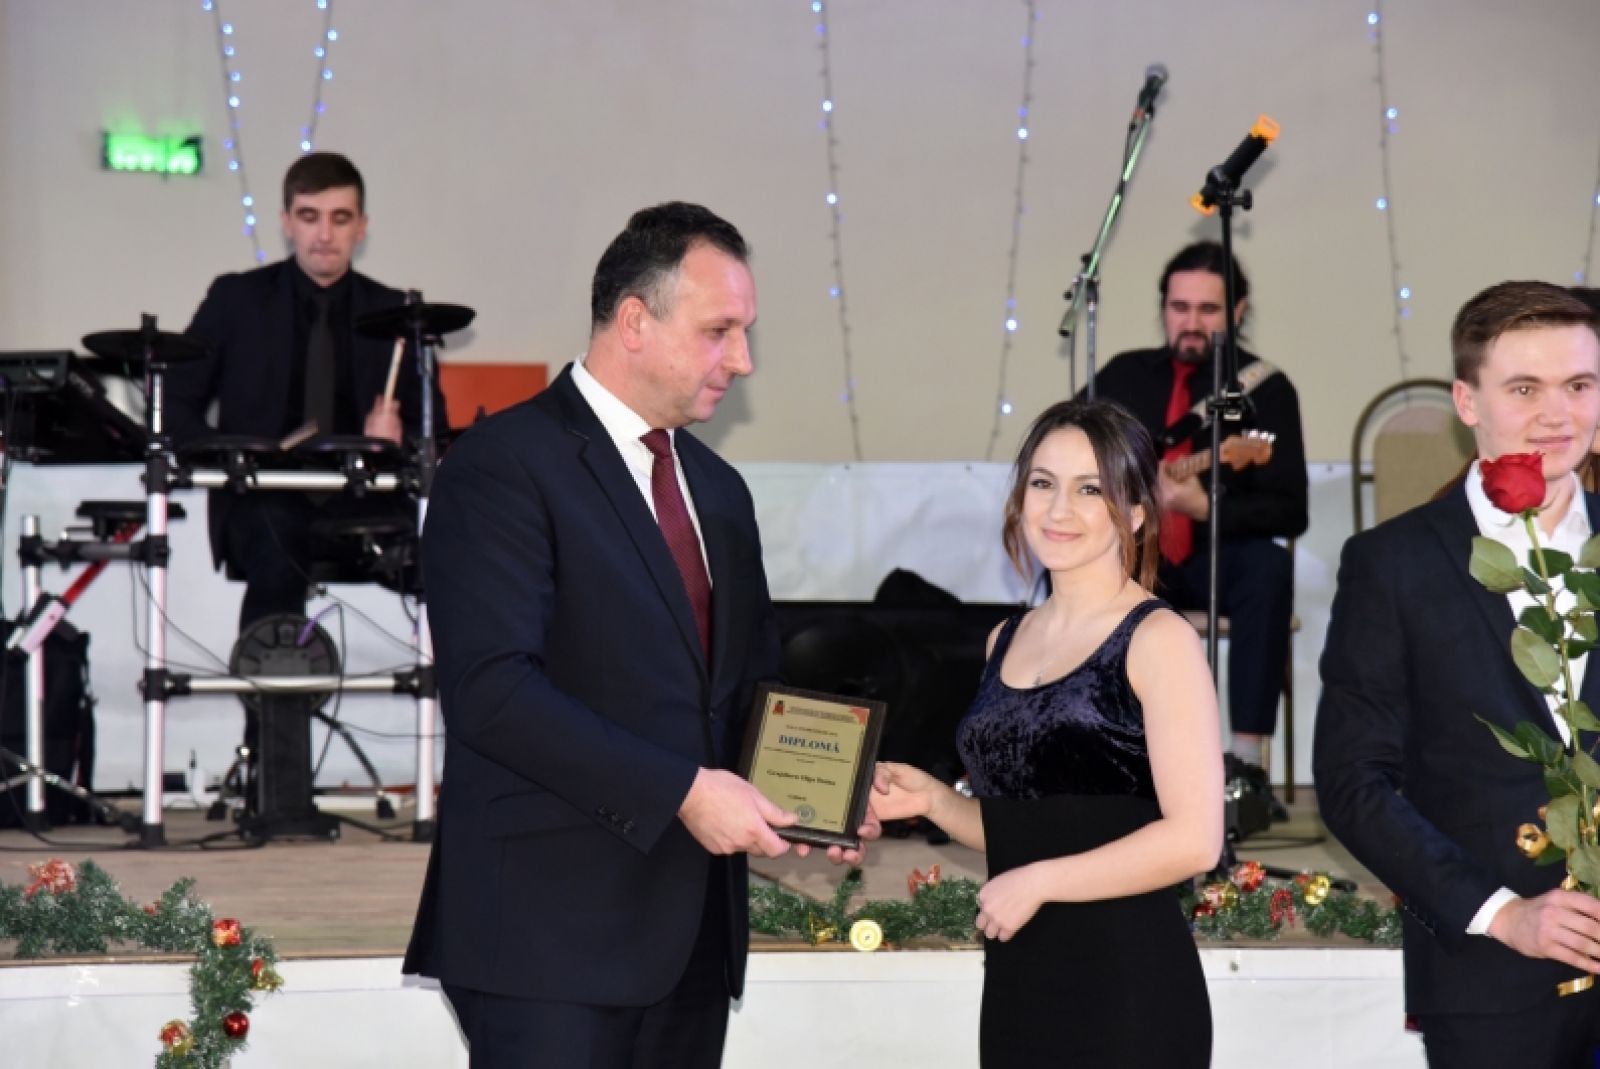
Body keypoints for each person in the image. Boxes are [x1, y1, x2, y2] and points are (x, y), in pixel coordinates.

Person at [402, 202, 876, 1068]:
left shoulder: (718, 488)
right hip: (548, 939)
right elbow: (492, 693)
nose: (742, 360)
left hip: (692, 938)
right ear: (633, 321)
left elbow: (742, 692)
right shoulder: (502, 465)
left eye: (744, 332)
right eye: (719, 331)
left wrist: (823, 791)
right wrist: (686, 792)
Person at [874, 398, 1223, 1067]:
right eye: (1043, 483)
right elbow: (1027, 827)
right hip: (1021, 978)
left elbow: (1195, 840)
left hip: (1126, 986)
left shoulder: (1159, 639)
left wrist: (1039, 882)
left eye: (1090, 489)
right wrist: (936, 802)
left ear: (1137, 511)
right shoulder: (1005, 638)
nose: (1059, 509)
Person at [1315, 281, 1600, 1067]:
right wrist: (1501, 912)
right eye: (1524, 388)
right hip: (1490, 979)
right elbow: (1352, 781)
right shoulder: (1392, 563)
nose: (1557, 414)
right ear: (1466, 401)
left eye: (1579, 385)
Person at [168, 151, 445, 794]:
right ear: (286, 221)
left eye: (340, 218)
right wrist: (235, 456)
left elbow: (436, 432)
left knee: (462, 557)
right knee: (278, 544)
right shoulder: (235, 298)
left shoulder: (396, 313)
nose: (325, 233)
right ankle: (277, 776)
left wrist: (399, 440)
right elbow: (177, 406)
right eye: (310, 216)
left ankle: (472, 770)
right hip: (264, 502)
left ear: (362, 226)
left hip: (362, 504)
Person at [1084, 241, 1307, 799]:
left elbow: (1291, 510)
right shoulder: (1123, 376)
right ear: (1163, 307)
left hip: (1216, 560)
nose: (1191, 322)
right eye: (1179, 307)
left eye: (1208, 310)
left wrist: (1205, 507)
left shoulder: (1266, 389)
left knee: (1269, 567)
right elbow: (1069, 453)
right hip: (1138, 559)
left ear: (1237, 311)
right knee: (1073, 569)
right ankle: (1090, 750)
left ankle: (1245, 768)